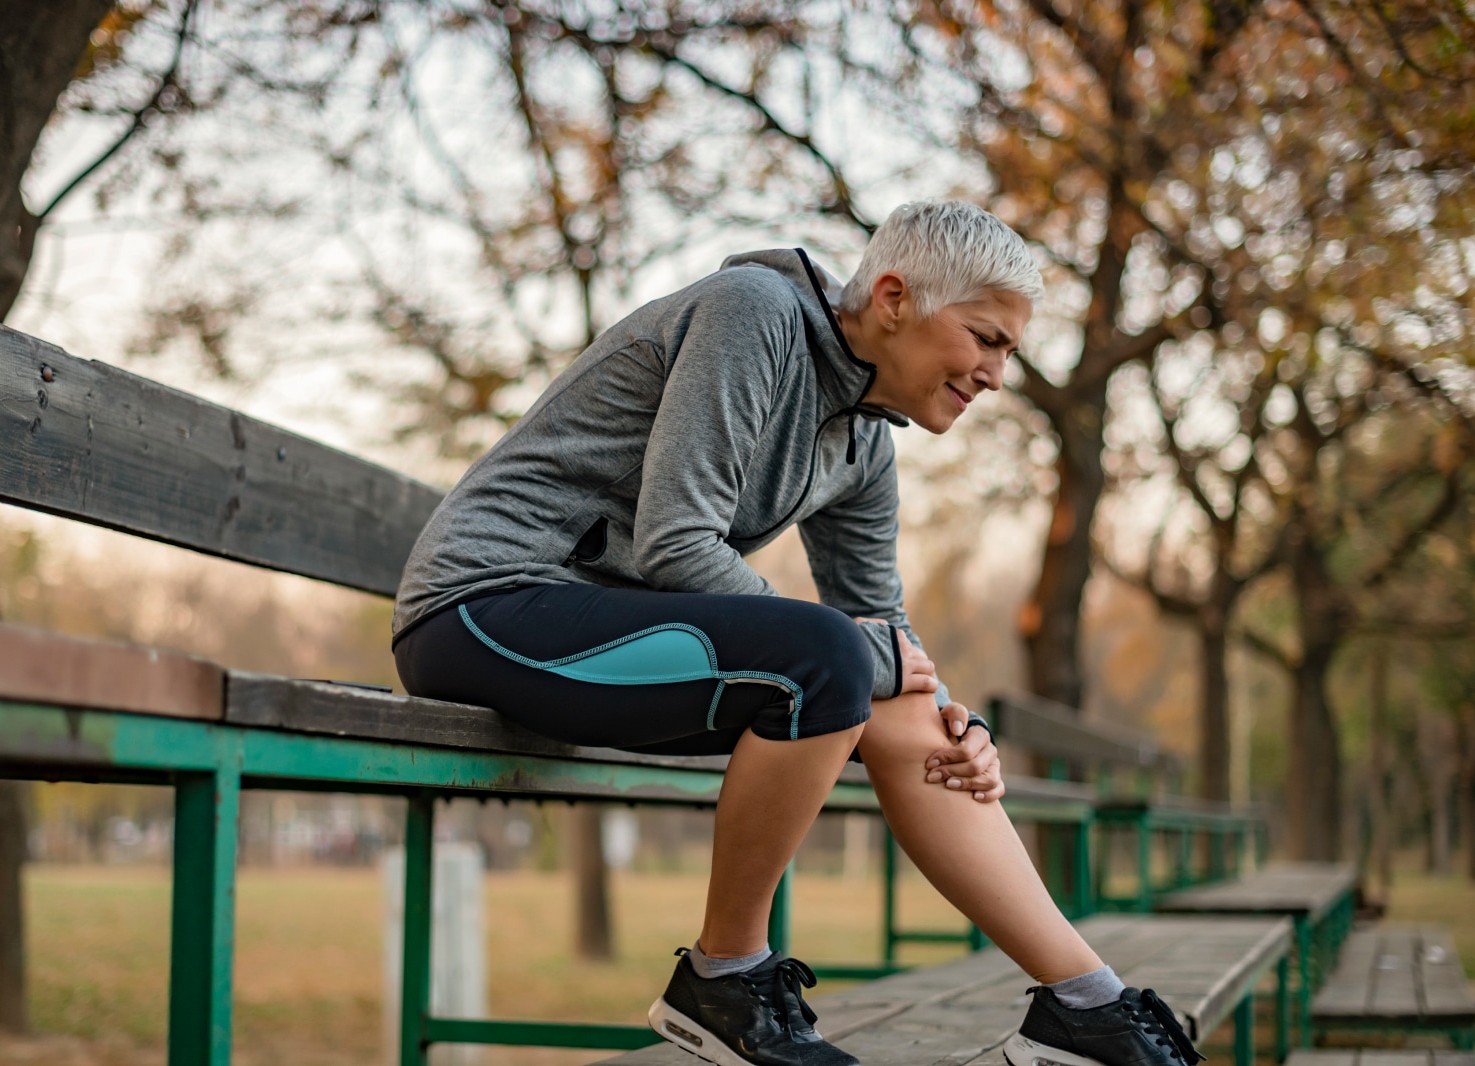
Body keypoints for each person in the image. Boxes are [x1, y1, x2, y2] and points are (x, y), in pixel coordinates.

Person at [392, 201, 1204, 1066]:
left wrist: (960, 725)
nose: (998, 375)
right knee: (823, 657)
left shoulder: (865, 447)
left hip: (617, 643)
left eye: (1009, 350)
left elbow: (888, 638)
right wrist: (857, 653)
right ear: (894, 297)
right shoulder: (754, 312)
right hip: (483, 610)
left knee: (886, 697)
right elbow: (677, 540)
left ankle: (1088, 1007)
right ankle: (725, 978)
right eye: (985, 338)